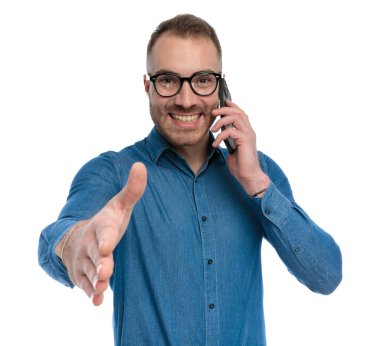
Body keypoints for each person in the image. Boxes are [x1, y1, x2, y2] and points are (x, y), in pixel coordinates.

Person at [38, 13, 342, 346]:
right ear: (147, 86)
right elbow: (57, 237)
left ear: (221, 87)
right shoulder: (113, 173)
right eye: (168, 80)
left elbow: (326, 275)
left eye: (202, 79)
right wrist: (74, 244)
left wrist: (256, 184)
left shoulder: (259, 172)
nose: (186, 99)